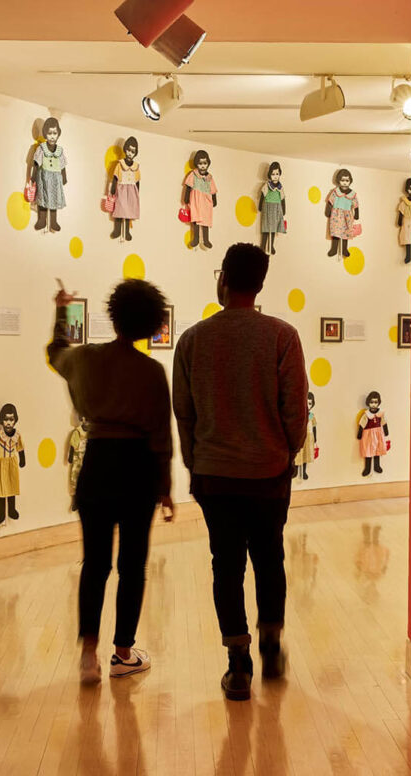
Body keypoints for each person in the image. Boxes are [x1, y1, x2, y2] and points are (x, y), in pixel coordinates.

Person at [173, 243, 308, 701]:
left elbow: (184, 413)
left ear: (222, 280)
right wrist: (284, 453)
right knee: (270, 558)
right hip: (269, 473)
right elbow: (295, 412)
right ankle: (271, 647)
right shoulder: (282, 336)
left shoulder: (193, 340)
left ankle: (238, 665)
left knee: (225, 565)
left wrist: (196, 463)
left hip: (216, 475)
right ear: (261, 284)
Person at [48, 278, 176, 685]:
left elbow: (56, 354)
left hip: (98, 464)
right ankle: (123, 653)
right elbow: (161, 436)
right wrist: (166, 488)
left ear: (114, 313)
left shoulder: (85, 359)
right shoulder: (153, 371)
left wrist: (65, 310)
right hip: (138, 470)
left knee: (96, 564)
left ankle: (89, 656)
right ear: (152, 324)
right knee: (133, 566)